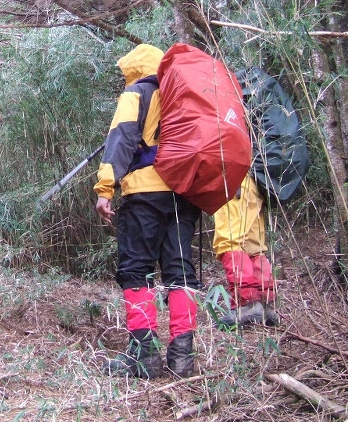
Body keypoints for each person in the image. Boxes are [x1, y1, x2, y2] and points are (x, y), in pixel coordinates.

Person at [94, 43, 201, 379]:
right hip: (184, 193)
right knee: (180, 272)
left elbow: (122, 139)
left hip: (144, 193)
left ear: (134, 69)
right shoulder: (181, 94)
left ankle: (144, 356)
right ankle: (183, 356)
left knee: (135, 270)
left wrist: (105, 188)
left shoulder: (137, 93)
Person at [212, 174, 280, 328]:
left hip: (232, 179)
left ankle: (247, 305)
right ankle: (266, 304)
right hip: (255, 182)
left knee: (230, 240)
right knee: (254, 245)